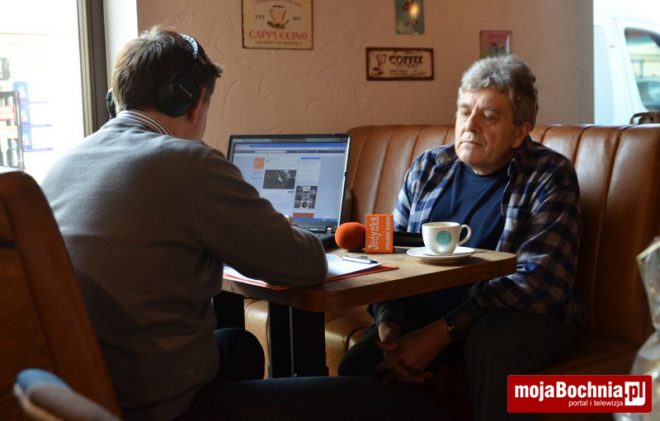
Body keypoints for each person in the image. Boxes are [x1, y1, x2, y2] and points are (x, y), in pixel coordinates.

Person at [41, 26, 443, 420]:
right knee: (398, 405)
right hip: (155, 405)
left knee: (238, 346)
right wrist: (280, 229)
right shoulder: (189, 162)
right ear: (192, 99)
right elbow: (306, 264)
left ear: (115, 100)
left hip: (81, 392)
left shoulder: (64, 164)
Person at [338, 54, 583, 421]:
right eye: (464, 111)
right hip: (433, 311)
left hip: (517, 314)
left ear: (520, 132)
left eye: (489, 116)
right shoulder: (429, 167)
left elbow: (538, 282)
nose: (470, 125)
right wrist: (389, 325)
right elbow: (390, 255)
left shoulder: (549, 175)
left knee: (491, 343)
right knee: (360, 364)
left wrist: (440, 333)